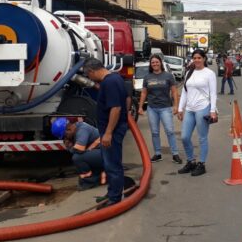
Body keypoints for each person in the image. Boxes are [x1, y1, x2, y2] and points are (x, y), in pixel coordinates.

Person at [83, 58, 128, 206]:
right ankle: (112, 193)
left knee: (112, 165)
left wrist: (108, 132)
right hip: (115, 128)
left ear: (91, 71)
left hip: (112, 131)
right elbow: (126, 99)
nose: (89, 78)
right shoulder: (115, 78)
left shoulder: (109, 83)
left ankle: (114, 198)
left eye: (88, 75)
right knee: (110, 164)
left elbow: (116, 108)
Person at [177, 49, 218, 177]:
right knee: (184, 137)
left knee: (202, 137)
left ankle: (202, 164)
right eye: (194, 58)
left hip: (203, 108)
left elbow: (213, 93)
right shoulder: (189, 72)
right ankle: (191, 161)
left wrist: (212, 110)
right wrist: (180, 108)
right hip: (189, 108)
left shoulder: (209, 73)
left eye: (199, 58)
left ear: (204, 59)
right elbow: (184, 91)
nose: (197, 60)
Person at [138, 54, 182, 164]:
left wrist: (176, 106)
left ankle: (175, 154)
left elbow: (174, 91)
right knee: (155, 132)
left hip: (165, 108)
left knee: (170, 131)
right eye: (153, 62)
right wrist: (140, 107)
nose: (155, 64)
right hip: (152, 108)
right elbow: (144, 93)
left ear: (160, 63)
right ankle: (157, 154)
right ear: (151, 64)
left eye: (156, 62)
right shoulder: (147, 77)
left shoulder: (168, 76)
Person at [52, 117, 104, 190]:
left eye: (64, 136)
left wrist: (70, 148)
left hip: (107, 154)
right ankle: (97, 176)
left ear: (69, 129)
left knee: (78, 158)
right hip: (100, 153)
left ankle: (89, 182)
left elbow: (80, 149)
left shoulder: (82, 130)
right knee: (80, 157)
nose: (65, 139)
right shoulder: (76, 129)